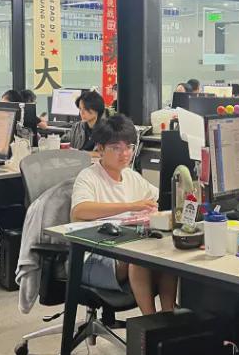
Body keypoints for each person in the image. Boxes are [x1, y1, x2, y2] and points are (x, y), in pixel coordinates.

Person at [70, 114, 177, 315]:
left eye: (129, 147)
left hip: (123, 248)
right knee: (139, 256)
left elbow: (158, 199)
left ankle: (168, 316)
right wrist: (131, 206)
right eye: (116, 148)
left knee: (166, 253)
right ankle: (149, 320)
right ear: (100, 148)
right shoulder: (89, 177)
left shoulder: (131, 176)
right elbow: (80, 210)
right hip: (93, 256)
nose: (125, 153)